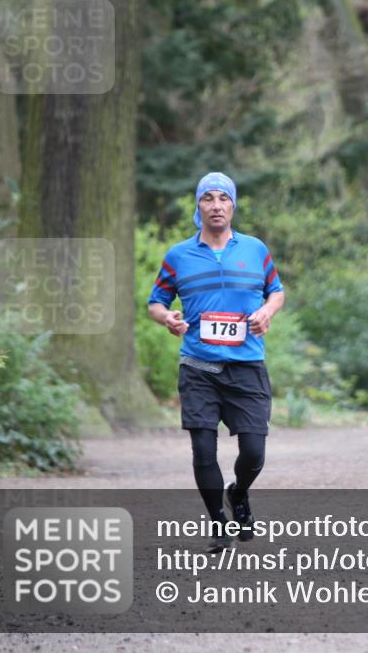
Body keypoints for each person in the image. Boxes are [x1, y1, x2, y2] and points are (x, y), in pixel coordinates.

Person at [148, 172, 284, 553]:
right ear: (199, 206)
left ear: (233, 205)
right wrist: (167, 318)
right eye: (208, 198)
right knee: (203, 451)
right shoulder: (178, 256)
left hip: (246, 366)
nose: (216, 205)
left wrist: (267, 312)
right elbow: (156, 301)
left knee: (254, 452)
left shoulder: (255, 250)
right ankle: (218, 523)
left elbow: (277, 292)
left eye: (223, 198)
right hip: (199, 367)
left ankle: (237, 493)